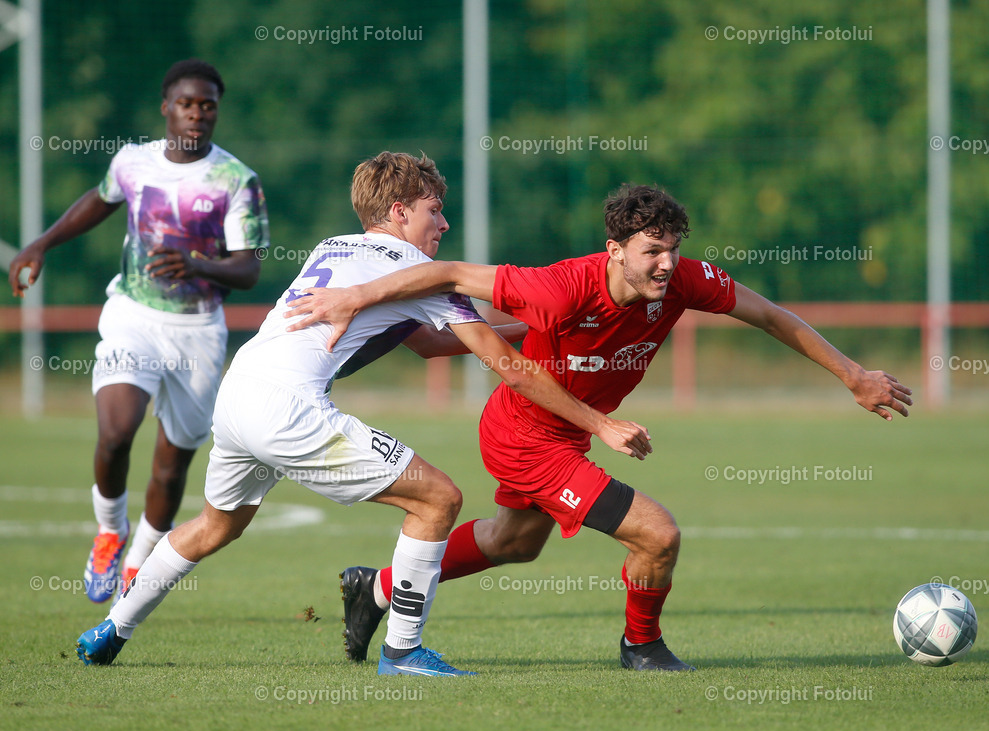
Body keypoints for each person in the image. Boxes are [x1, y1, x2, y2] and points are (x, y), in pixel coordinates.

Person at [284, 183, 914, 672]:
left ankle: (379, 585)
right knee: (658, 534)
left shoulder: (684, 281)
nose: (667, 264)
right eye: (652, 251)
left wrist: (853, 374)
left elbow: (773, 317)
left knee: (513, 542)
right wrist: (355, 298)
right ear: (615, 251)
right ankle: (642, 647)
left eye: (673, 248)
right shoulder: (559, 288)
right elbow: (448, 274)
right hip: (524, 434)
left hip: (562, 434)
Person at [74, 152, 651, 677]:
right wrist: (599, 422)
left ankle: (112, 627)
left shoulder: (335, 246)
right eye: (434, 210)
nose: (443, 224)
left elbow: (425, 344)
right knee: (439, 498)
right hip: (288, 409)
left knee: (213, 526)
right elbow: (507, 367)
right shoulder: (413, 266)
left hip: (239, 392)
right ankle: (402, 650)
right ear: (399, 211)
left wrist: (532, 328)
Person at [8, 59, 269, 604]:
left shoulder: (235, 180)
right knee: (116, 430)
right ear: (166, 108)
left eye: (208, 106)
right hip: (133, 316)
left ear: (216, 112)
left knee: (172, 467)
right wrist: (42, 244)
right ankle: (109, 530)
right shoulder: (134, 162)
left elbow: (247, 268)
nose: (197, 114)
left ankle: (139, 558)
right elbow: (99, 201)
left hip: (198, 332)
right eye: (187, 104)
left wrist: (199, 265)